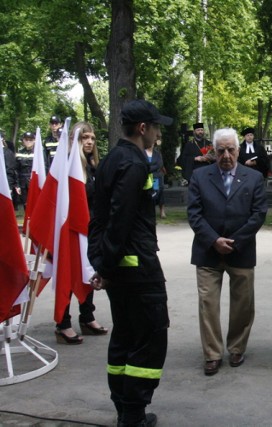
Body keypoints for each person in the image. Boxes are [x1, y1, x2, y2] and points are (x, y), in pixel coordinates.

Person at [88, 99, 172, 427]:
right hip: (138, 269)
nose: (157, 133)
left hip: (119, 268)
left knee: (124, 334)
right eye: (155, 127)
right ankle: (134, 415)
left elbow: (98, 218)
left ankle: (124, 409)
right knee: (151, 336)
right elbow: (120, 220)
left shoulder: (111, 160)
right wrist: (106, 266)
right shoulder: (134, 163)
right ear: (142, 128)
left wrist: (100, 262)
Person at [187, 127, 267, 377]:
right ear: (213, 151)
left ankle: (236, 347)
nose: (225, 155)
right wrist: (213, 240)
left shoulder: (253, 178)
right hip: (208, 252)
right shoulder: (200, 176)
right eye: (220, 150)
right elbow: (194, 213)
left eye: (230, 150)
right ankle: (212, 353)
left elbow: (258, 214)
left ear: (238, 150)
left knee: (243, 304)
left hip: (240, 251)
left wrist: (235, 241)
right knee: (208, 303)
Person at [55, 122, 108, 344]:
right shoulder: (66, 168)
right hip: (72, 231)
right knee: (70, 274)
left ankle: (87, 317)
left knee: (90, 272)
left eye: (92, 138)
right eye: (84, 137)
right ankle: (63, 323)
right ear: (74, 140)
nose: (89, 142)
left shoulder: (95, 167)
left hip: (91, 230)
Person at [15, 131, 37, 210]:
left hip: (34, 180)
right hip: (22, 182)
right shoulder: (19, 153)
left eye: (30, 139)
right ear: (23, 140)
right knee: (25, 203)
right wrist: (17, 185)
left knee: (35, 203)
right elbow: (16, 170)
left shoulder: (38, 153)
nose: (28, 141)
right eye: (26, 139)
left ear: (34, 140)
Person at [146, 140, 167, 219]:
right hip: (146, 177)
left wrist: (149, 168)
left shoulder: (157, 154)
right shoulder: (142, 153)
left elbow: (160, 164)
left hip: (156, 177)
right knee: (149, 194)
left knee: (158, 192)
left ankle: (162, 211)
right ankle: (151, 211)